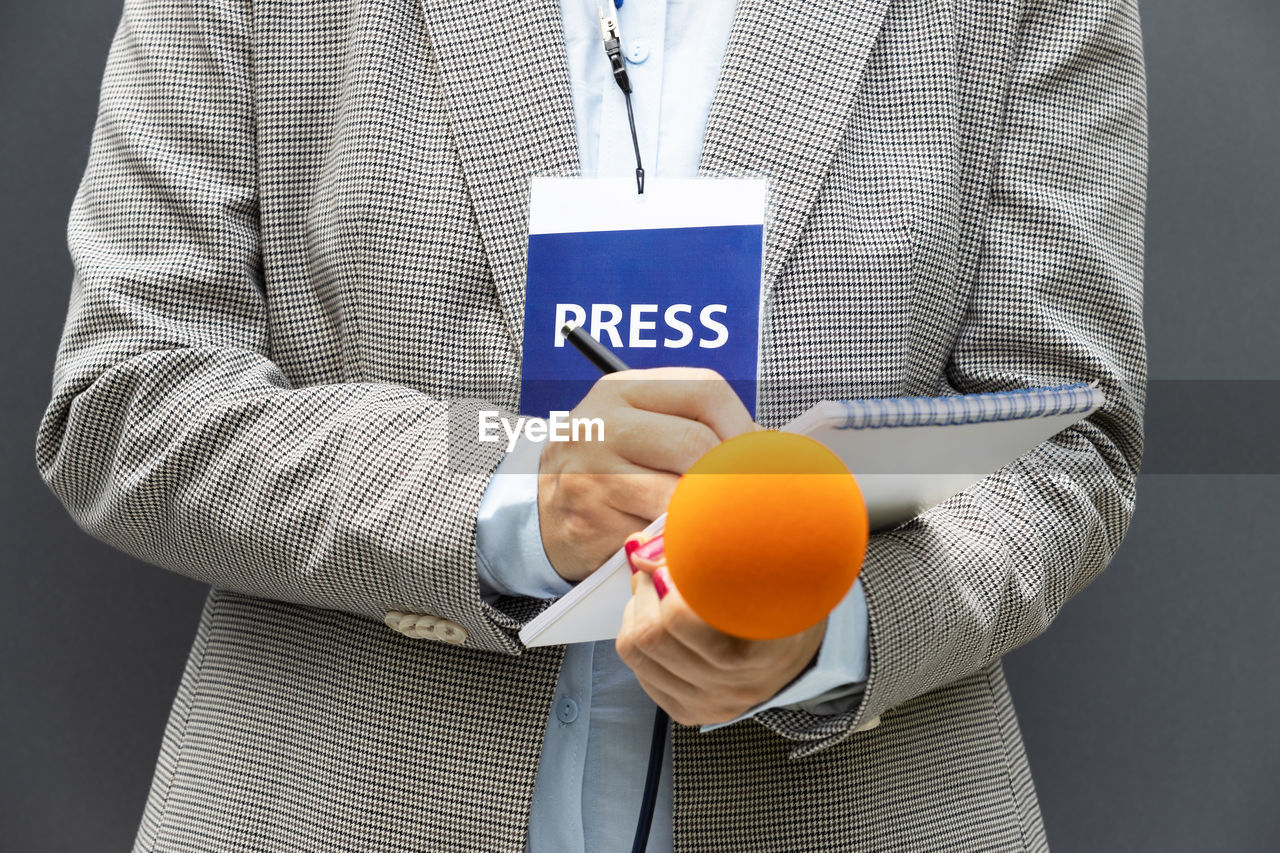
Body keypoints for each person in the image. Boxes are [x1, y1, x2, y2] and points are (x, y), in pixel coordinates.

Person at [36, 0, 1147, 849]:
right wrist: (516, 483)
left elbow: (1067, 441)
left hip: (860, 804)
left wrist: (830, 628)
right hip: (334, 798)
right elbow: (129, 397)